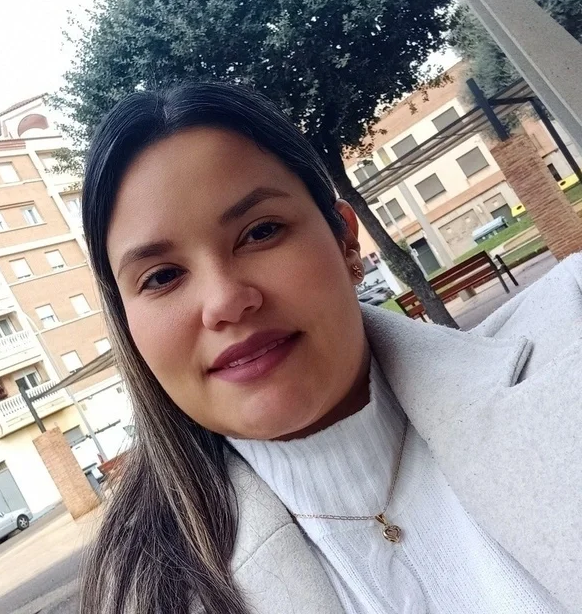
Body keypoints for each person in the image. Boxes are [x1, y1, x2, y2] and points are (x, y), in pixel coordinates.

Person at [79, 82, 581, 614]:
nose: (224, 301)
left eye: (260, 232)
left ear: (345, 240)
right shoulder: (142, 596)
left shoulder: (571, 326)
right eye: (161, 277)